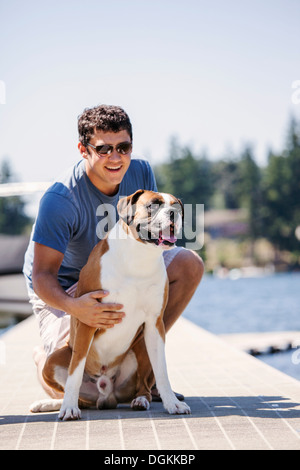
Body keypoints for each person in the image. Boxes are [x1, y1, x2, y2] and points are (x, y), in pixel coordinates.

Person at [23, 104, 204, 402]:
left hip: (121, 269)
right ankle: (43, 358)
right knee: (74, 368)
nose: (116, 157)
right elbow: (42, 276)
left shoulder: (141, 172)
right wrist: (75, 306)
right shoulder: (60, 200)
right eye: (104, 149)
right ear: (83, 149)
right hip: (66, 285)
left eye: (123, 147)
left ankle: (145, 374)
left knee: (188, 263)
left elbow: (151, 238)